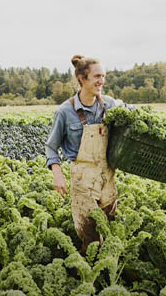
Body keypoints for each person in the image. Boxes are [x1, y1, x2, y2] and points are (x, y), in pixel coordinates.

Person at [46, 55, 133, 255]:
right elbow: (51, 147)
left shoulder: (109, 104)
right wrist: (57, 174)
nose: (101, 81)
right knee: (90, 235)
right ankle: (88, 275)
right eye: (96, 76)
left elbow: (131, 113)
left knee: (110, 228)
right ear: (82, 79)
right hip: (83, 178)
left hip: (107, 176)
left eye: (103, 76)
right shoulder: (65, 112)